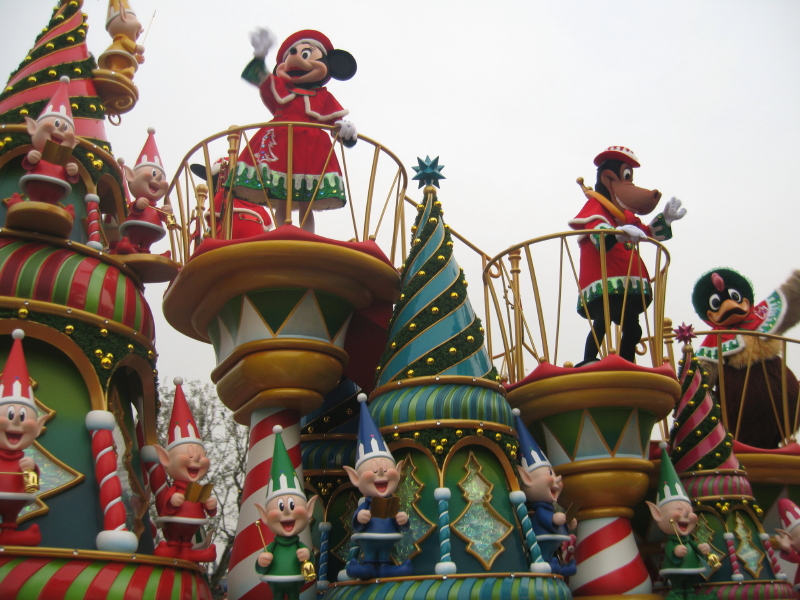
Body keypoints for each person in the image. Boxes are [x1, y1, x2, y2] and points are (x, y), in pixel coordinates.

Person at [236, 28, 358, 233]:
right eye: (291, 55)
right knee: (282, 196)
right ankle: (281, 232)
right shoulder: (280, 88)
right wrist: (259, 56)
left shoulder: (323, 96)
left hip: (311, 150)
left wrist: (346, 131)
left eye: (307, 53)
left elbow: (336, 123)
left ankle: (307, 235)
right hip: (281, 147)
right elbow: (259, 77)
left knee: (305, 200)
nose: (296, 59)